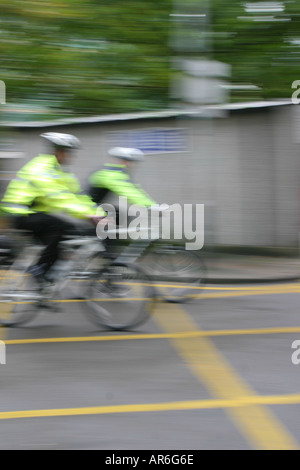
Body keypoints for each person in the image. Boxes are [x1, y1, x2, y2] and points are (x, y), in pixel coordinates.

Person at [1, 132, 105, 282]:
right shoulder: (41, 168)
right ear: (58, 152)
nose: (70, 157)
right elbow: (57, 196)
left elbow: (77, 196)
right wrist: (87, 215)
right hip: (20, 213)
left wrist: (96, 213)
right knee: (59, 226)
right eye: (68, 152)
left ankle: (44, 285)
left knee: (70, 232)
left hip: (35, 214)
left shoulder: (61, 172)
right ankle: (40, 268)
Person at [87, 147, 157, 221]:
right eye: (127, 161)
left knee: (124, 218)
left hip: (97, 206)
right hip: (89, 207)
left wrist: (151, 205)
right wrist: (149, 206)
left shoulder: (118, 173)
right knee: (121, 220)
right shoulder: (109, 174)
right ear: (119, 161)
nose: (131, 164)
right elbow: (128, 192)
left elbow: (135, 191)